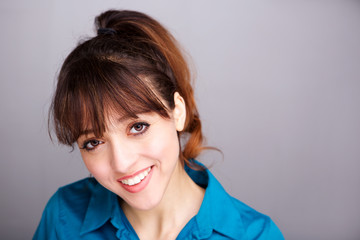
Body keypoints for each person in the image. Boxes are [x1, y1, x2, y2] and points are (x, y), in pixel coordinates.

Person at [33, 9, 284, 240]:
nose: (121, 162)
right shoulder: (63, 218)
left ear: (178, 112)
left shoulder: (257, 235)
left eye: (138, 127)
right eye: (94, 142)